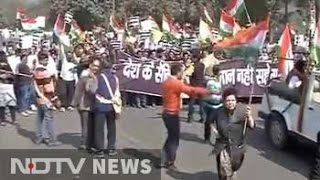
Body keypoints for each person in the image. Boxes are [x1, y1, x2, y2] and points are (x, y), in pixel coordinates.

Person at [161, 64, 210, 170]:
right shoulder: (175, 83)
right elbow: (191, 90)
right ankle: (169, 161)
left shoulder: (166, 81)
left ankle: (164, 157)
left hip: (166, 112)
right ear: (178, 72)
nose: (183, 73)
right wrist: (207, 91)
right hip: (172, 113)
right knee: (174, 139)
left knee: (170, 137)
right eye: (182, 71)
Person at [210, 87, 255, 180]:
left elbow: (252, 126)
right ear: (224, 101)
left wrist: (250, 116)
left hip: (237, 146)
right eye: (228, 100)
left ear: (236, 101)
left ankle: (231, 173)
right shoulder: (218, 112)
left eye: (232, 100)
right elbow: (209, 122)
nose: (230, 103)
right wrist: (215, 132)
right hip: (222, 145)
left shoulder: (243, 110)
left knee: (234, 167)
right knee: (223, 171)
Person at [71, 58, 101, 150]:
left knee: (92, 125)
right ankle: (84, 143)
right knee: (86, 125)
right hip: (84, 104)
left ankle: (89, 142)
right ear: (90, 65)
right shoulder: (86, 75)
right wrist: (74, 103)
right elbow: (87, 90)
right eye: (94, 65)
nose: (96, 68)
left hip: (93, 104)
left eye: (98, 66)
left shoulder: (96, 75)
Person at [33, 52, 61, 146]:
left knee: (39, 119)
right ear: (41, 60)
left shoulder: (36, 71)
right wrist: (53, 98)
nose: (47, 61)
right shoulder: (44, 72)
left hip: (38, 98)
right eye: (45, 59)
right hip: (46, 98)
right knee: (49, 119)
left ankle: (38, 138)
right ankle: (52, 139)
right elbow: (48, 88)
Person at [93, 58, 119, 157]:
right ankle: (111, 148)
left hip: (101, 105)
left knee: (99, 128)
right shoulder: (115, 78)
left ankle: (100, 149)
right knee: (112, 128)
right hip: (112, 105)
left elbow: (94, 90)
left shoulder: (98, 77)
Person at [202, 65, 222, 143]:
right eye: (220, 72)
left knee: (219, 123)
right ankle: (207, 138)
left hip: (219, 105)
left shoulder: (222, 81)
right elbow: (208, 91)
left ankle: (219, 139)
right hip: (209, 104)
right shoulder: (210, 82)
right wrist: (216, 92)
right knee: (208, 122)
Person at [0, 51, 17, 126]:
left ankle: (13, 119)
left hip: (9, 85)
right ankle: (3, 120)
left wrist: (8, 76)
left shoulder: (8, 65)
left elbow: (13, 76)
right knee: (2, 105)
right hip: (1, 86)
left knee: (11, 103)